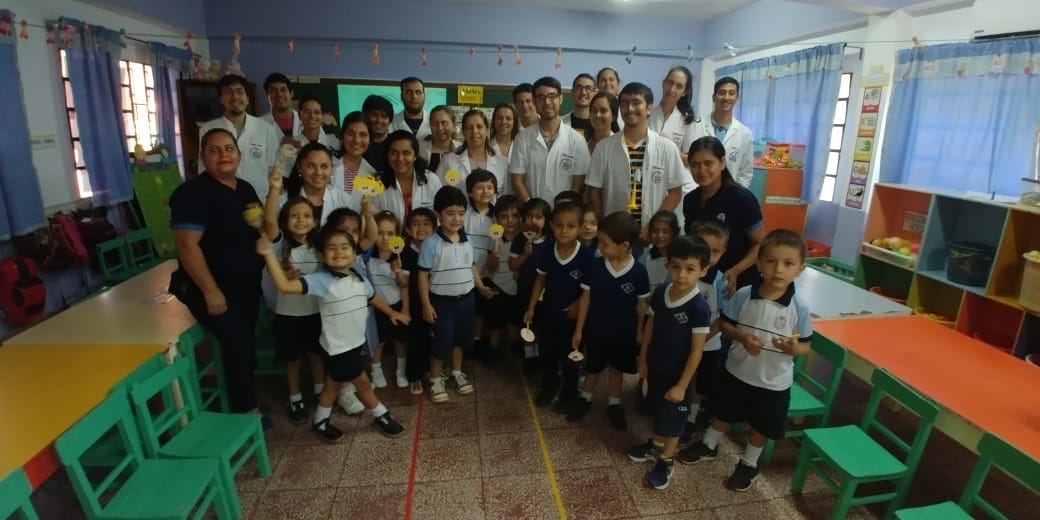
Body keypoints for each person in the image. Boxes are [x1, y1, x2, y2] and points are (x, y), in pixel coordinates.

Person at [676, 229, 813, 492]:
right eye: (771, 261)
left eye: (788, 263)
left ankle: (749, 463)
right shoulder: (744, 295)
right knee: (723, 411)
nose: (778, 269)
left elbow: (805, 345)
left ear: (800, 269)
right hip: (736, 371)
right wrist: (743, 337)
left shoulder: (800, 308)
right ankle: (709, 444)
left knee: (760, 425)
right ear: (759, 263)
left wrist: (794, 348)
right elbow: (725, 326)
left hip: (773, 383)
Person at [257, 226, 410, 442]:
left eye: (345, 247)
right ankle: (381, 414)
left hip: (355, 342)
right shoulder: (320, 280)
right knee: (363, 383)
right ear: (322, 254)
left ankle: (320, 421)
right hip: (338, 347)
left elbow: (373, 296)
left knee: (333, 383)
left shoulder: (359, 278)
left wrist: (392, 312)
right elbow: (284, 285)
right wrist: (269, 255)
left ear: (355, 253)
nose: (339, 252)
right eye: (332, 248)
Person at [170, 128, 267, 421]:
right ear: (202, 157)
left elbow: (258, 230)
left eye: (229, 148)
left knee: (245, 342)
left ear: (238, 154)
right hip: (209, 288)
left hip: (245, 284)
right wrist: (210, 290)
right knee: (238, 342)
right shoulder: (191, 194)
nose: (223, 155)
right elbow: (187, 247)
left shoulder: (245, 189)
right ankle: (247, 411)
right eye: (214, 150)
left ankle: (245, 397)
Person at [626, 235, 712, 490]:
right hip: (655, 368)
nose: (681, 275)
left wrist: (682, 386)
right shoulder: (662, 292)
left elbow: (697, 352)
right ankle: (655, 445)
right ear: (668, 265)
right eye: (676, 266)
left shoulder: (699, 308)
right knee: (657, 411)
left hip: (679, 378)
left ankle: (666, 460)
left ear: (703, 270)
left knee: (674, 423)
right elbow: (651, 325)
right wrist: (642, 360)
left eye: (690, 269)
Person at [569, 211, 649, 429]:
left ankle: (614, 404)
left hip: (624, 333)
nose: (600, 248)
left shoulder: (639, 273)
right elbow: (585, 299)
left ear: (623, 245)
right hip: (596, 331)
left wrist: (640, 332)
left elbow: (642, 306)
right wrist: (579, 329)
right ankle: (585, 398)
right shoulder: (595, 267)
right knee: (593, 368)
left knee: (617, 370)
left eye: (605, 244)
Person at [417, 186, 496, 403]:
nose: (456, 218)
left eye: (461, 213)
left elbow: (470, 266)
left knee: (461, 340)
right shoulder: (431, 244)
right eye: (450, 213)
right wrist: (426, 304)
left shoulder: (466, 240)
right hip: (442, 303)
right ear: (438, 214)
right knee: (441, 342)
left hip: (466, 301)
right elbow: (423, 276)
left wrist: (480, 287)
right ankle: (435, 379)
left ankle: (456, 372)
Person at [258, 174, 323, 424]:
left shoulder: (319, 245)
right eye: (294, 216)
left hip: (315, 312)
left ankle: (320, 392)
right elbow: (269, 221)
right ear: (286, 221)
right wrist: (274, 190)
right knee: (293, 359)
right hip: (288, 315)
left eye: (306, 216)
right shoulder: (280, 243)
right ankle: (295, 398)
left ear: (315, 221)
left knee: (317, 355)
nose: (300, 220)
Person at [586, 82, 689, 237]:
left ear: (649, 108)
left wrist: (653, 225)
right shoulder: (604, 147)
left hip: (651, 234)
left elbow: (675, 192)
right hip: (614, 234)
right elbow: (594, 189)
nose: (630, 109)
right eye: (624, 104)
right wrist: (603, 221)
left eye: (636, 103)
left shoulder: (667, 148)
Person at [523, 201, 593, 410]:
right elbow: (539, 281)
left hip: (572, 319)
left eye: (571, 226)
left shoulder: (586, 257)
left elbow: (587, 295)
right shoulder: (546, 251)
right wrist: (531, 307)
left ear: (580, 228)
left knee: (570, 358)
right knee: (547, 354)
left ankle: (569, 393)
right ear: (551, 225)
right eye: (559, 225)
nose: (564, 230)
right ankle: (549, 387)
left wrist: (579, 328)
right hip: (548, 314)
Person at [682, 136, 764, 294]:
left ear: (722, 163)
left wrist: (735, 271)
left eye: (708, 163)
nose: (702, 170)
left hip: (737, 281)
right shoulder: (690, 200)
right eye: (695, 165)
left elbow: (760, 244)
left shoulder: (741, 199)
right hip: (702, 280)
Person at [681, 219, 730, 441]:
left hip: (708, 345)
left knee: (700, 383)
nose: (708, 256)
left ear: (723, 252)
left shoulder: (722, 282)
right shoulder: (680, 273)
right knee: (680, 377)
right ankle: (675, 411)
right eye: (703, 248)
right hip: (680, 342)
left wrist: (701, 340)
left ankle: (690, 419)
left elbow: (722, 319)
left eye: (715, 251)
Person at [510, 76, 591, 202]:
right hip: (532, 215)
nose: (547, 102)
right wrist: (532, 207)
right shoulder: (522, 139)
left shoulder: (577, 140)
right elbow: (517, 181)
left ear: (560, 98)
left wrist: (564, 209)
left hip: (565, 214)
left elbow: (578, 183)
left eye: (552, 96)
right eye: (541, 97)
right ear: (535, 102)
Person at [197, 75, 281, 193]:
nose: (235, 96)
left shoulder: (266, 128)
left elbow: (275, 167)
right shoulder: (207, 129)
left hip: (259, 198)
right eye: (228, 92)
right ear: (221, 99)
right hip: (220, 197)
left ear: (247, 98)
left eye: (240, 92)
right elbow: (203, 168)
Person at [367, 211, 410, 389]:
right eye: (379, 232)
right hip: (376, 307)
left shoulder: (401, 255)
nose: (384, 238)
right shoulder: (368, 255)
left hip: (398, 304)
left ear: (397, 235)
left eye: (390, 233)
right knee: (378, 341)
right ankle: (376, 371)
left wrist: (398, 273)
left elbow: (404, 285)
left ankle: (401, 369)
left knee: (400, 340)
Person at [509, 198, 552, 374]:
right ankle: (529, 357)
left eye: (538, 216)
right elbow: (513, 265)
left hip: (546, 293)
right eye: (529, 216)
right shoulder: (520, 240)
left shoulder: (552, 241)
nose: (533, 220)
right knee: (526, 324)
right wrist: (525, 254)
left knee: (542, 325)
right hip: (525, 290)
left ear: (546, 221)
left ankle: (539, 355)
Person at [688, 77, 754, 187]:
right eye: (722, 93)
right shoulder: (695, 126)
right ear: (714, 97)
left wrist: (735, 195)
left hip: (728, 195)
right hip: (696, 189)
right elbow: (689, 161)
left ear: (737, 98)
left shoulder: (745, 134)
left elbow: (745, 173)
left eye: (731, 93)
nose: (726, 97)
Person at [401, 207, 437, 395]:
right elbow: (404, 284)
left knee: (436, 338)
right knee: (417, 340)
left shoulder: (438, 248)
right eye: (415, 224)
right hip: (416, 304)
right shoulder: (405, 253)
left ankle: (434, 372)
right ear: (407, 229)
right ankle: (414, 376)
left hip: (437, 301)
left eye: (426, 224)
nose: (421, 228)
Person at [281, 143, 358, 226]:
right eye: (311, 166)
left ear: (332, 169)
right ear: (299, 168)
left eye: (324, 166)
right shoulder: (283, 201)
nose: (318, 172)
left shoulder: (344, 200)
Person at [375, 130, 443, 222]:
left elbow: (440, 217)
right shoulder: (377, 183)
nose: (400, 159)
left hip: (426, 236)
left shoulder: (431, 180)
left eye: (406, 153)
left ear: (415, 156)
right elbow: (375, 219)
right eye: (394, 153)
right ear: (387, 155)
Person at [438, 109, 510, 196]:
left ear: (487, 130)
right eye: (469, 128)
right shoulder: (449, 162)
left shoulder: (502, 163)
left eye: (479, 127)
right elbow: (440, 194)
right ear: (463, 132)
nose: (474, 131)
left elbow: (506, 197)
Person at [485, 194, 522, 361]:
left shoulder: (524, 238)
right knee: (496, 319)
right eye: (504, 216)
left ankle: (513, 342)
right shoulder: (494, 239)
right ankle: (494, 346)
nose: (510, 220)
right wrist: (494, 256)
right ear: (497, 218)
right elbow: (491, 268)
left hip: (517, 285)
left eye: (515, 216)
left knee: (514, 317)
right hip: (497, 284)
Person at [278, 97, 342, 178]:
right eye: (307, 112)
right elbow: (283, 176)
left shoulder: (335, 143)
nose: (312, 116)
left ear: (322, 116)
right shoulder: (289, 147)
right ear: (299, 115)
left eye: (317, 112)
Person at [649, 66, 698, 163]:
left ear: (685, 92)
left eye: (679, 86)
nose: (672, 89)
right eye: (670, 83)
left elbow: (692, 160)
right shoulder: (647, 114)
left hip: (672, 175)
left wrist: (670, 148)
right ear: (663, 83)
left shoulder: (687, 121)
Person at [333, 111, 376, 195]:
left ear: (370, 139)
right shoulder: (328, 164)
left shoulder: (372, 174)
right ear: (342, 135)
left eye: (363, 135)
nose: (356, 140)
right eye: (351, 134)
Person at [640, 210, 680, 295]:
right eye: (655, 231)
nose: (660, 235)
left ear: (675, 233)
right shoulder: (644, 259)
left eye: (665, 231)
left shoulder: (681, 258)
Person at [419, 106, 460, 173]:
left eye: (444, 123)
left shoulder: (461, 150)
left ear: (454, 125)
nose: (440, 128)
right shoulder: (420, 149)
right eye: (435, 124)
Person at [390, 76, 431, 141]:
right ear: (401, 96)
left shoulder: (434, 122)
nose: (414, 96)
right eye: (409, 92)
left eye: (418, 92)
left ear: (424, 96)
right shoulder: (391, 123)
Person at [362, 95, 394, 174]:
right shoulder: (357, 144)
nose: (379, 120)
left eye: (384, 116)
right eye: (374, 115)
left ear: (390, 120)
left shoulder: (394, 144)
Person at [561, 73, 596, 138]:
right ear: (572, 92)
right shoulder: (560, 123)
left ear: (594, 94)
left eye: (588, 88)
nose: (583, 92)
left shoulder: (600, 124)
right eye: (579, 88)